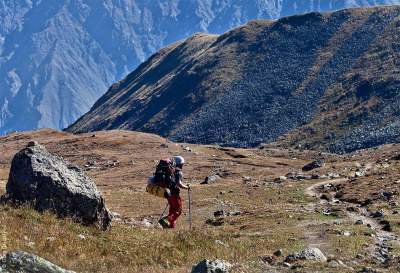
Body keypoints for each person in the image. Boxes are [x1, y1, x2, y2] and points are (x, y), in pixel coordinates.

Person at [159, 155, 190, 229]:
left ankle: (170, 228)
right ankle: (166, 220)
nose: (182, 165)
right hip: (174, 194)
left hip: (168, 194)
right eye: (182, 164)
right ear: (180, 163)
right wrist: (187, 187)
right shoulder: (178, 172)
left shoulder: (170, 170)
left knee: (172, 211)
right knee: (178, 211)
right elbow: (179, 184)